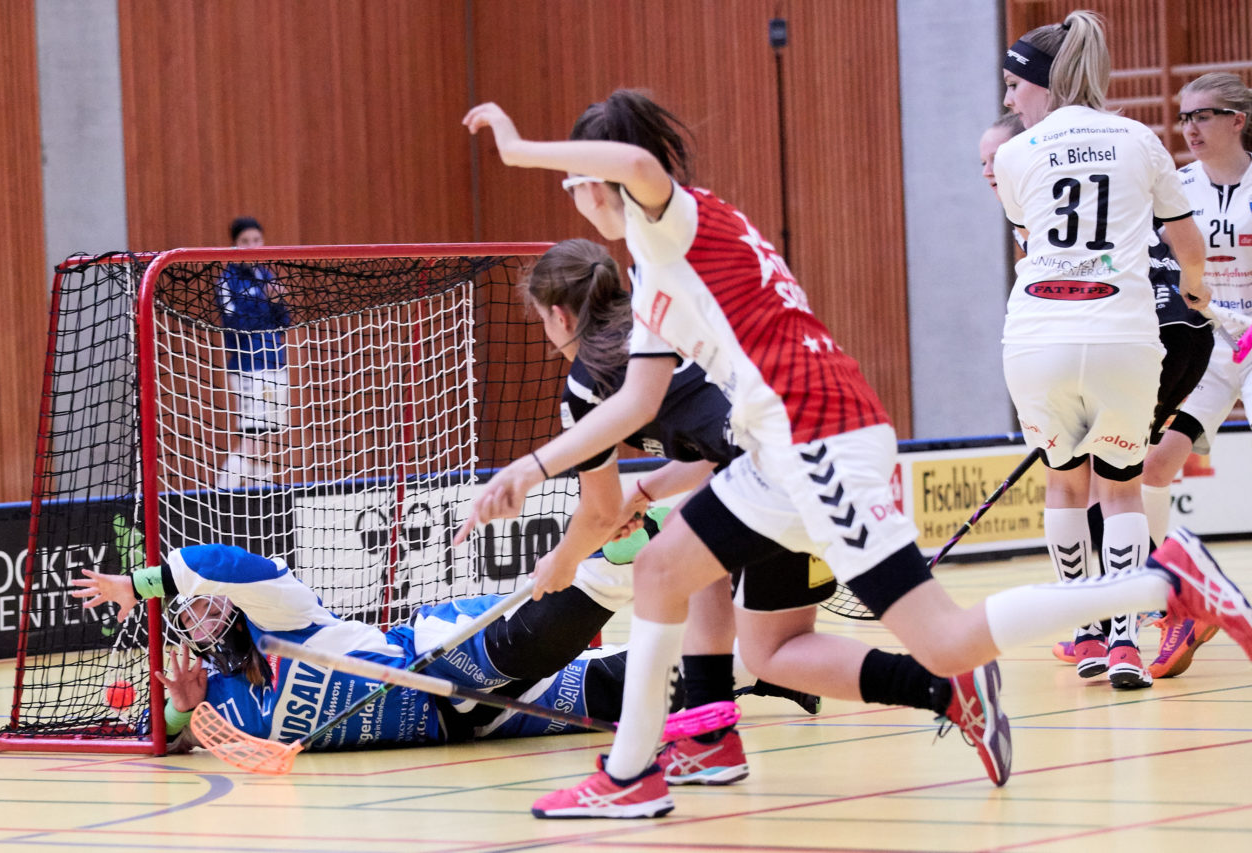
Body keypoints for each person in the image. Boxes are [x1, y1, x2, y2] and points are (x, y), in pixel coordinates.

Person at [459, 80, 1252, 819]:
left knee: (945, 639)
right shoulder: (656, 259)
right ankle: (634, 776)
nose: (579, 193)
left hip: (819, 437)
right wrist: (532, 470)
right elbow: (634, 400)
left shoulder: (677, 216)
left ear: (598, 178)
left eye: (574, 181)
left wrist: (518, 149)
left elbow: (635, 163)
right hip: (774, 449)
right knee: (664, 567)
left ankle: (1162, 583)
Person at [522, 238, 1010, 787]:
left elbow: (598, 511)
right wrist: (646, 494)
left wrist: (562, 563)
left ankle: (651, 763)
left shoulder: (589, 380)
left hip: (777, 474)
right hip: (813, 444)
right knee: (771, 646)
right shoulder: (660, 312)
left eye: (542, 320)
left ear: (560, 315)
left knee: (667, 565)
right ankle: (942, 690)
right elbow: (715, 441)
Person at [994, 10, 1212, 689]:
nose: (1007, 101)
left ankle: (1083, 630)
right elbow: (1185, 244)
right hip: (1121, 334)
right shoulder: (1139, 138)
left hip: (1037, 335)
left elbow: (1035, 239)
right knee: (1120, 492)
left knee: (1065, 482)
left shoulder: (1012, 153)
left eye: (1012, 85)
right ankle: (1123, 641)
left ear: (1044, 84)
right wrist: (1199, 295)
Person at [70, 543, 649, 751]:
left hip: (434, 656)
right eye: (187, 615)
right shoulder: (216, 703)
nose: (201, 617)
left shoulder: (283, 616)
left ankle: (624, 549)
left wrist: (136, 585)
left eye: (206, 601)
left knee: (520, 646)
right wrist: (182, 708)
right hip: (474, 728)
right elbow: (163, 741)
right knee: (649, 690)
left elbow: (215, 562)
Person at [1137, 71, 1252, 676]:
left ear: (1237, 119)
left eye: (1203, 115)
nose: (1189, 128)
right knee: (1154, 466)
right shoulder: (1176, 188)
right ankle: (1179, 595)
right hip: (1209, 342)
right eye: (1184, 118)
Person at [216, 217, 291, 490]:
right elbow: (234, 324)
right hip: (248, 366)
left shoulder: (266, 276)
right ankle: (224, 490)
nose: (252, 246)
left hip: (275, 363)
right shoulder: (227, 281)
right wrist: (264, 304)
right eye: (245, 241)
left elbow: (284, 322)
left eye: (257, 240)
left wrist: (277, 301)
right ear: (234, 245)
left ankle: (253, 491)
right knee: (251, 433)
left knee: (266, 435)